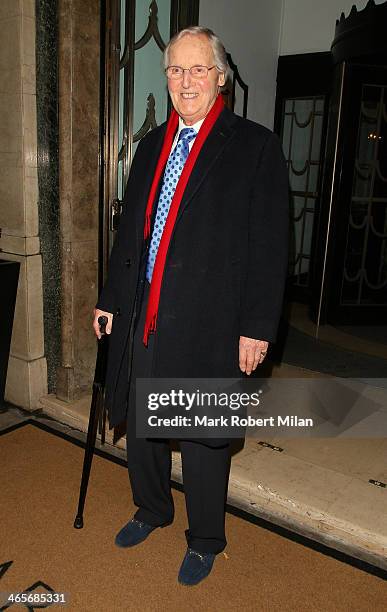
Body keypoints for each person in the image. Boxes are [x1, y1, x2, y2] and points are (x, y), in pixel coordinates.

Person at [93, 26, 289, 586]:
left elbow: (270, 247)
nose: (185, 81)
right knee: (146, 424)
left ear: (219, 76)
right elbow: (132, 232)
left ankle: (205, 538)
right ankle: (152, 508)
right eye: (176, 69)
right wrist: (110, 299)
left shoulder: (255, 146)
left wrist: (256, 328)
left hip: (213, 320)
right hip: (144, 316)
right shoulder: (152, 144)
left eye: (198, 68)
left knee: (204, 435)